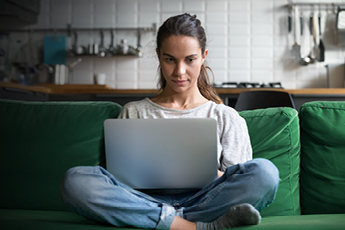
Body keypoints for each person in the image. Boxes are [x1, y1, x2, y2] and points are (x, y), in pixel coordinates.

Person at [60, 13, 280, 230]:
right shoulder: (134, 112)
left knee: (265, 172)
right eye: (170, 60)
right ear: (158, 56)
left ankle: (163, 222)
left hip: (204, 202)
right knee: (76, 180)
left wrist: (204, 172)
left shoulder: (226, 116)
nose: (179, 71)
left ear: (203, 56)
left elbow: (235, 181)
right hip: (144, 202)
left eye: (190, 59)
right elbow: (119, 181)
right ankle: (192, 227)